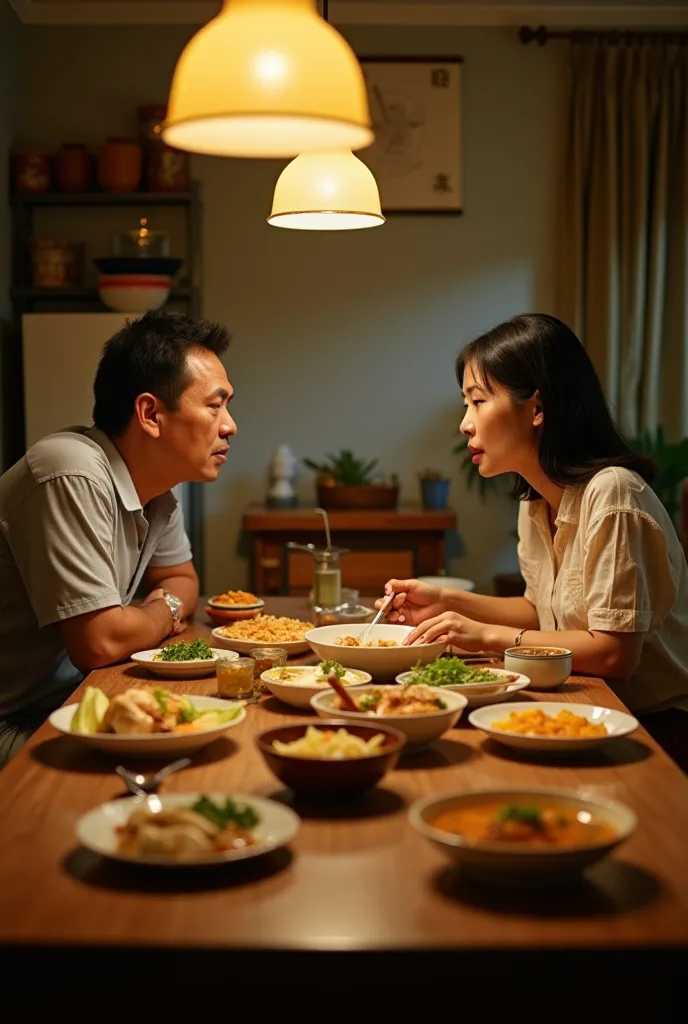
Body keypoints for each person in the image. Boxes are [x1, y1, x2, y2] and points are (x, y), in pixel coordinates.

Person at [381, 313, 688, 771]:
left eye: (478, 401)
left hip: (658, 729)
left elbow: (614, 653)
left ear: (537, 409)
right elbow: (539, 610)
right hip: (585, 709)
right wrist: (447, 601)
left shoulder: (613, 492)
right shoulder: (535, 498)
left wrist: (484, 635)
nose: (466, 424)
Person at [0, 310, 236, 767]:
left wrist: (152, 612)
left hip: (71, 698)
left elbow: (182, 579)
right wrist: (163, 611)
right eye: (215, 405)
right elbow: (101, 642)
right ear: (150, 413)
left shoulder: (157, 486)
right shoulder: (70, 471)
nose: (229, 425)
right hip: (13, 720)